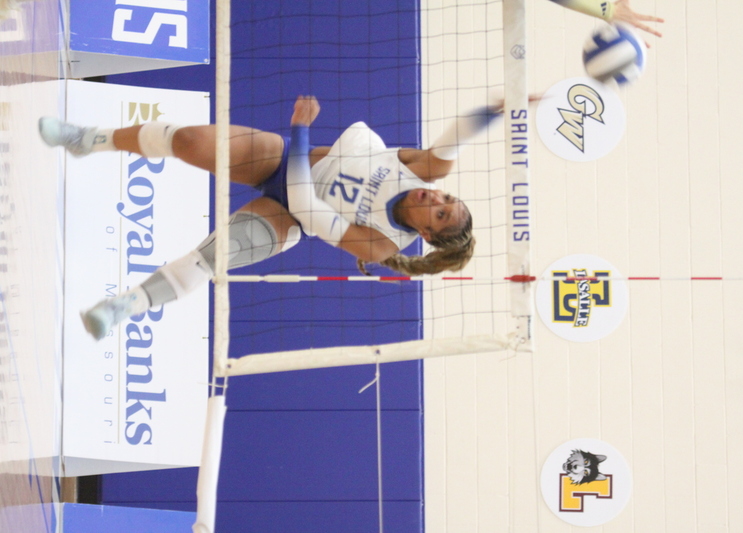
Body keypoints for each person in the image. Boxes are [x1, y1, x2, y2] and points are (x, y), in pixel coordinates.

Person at [41, 0, 663, 341]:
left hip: (290, 208)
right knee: (192, 138)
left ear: (426, 232)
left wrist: (305, 130)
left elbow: (310, 211)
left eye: (440, 210)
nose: (435, 194)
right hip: (282, 160)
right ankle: (88, 139)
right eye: (445, 196)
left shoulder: (382, 243)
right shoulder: (420, 166)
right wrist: (511, 104)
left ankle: (125, 307)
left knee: (219, 254)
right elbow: (463, 128)